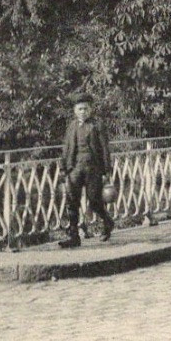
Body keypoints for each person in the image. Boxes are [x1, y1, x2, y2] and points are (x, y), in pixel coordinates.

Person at [60, 92, 115, 247]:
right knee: (72, 201)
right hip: (74, 169)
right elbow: (66, 148)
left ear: (91, 109)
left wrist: (106, 171)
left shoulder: (96, 126)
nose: (83, 112)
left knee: (94, 200)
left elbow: (105, 149)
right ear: (74, 110)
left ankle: (107, 222)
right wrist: (63, 168)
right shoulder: (71, 126)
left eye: (85, 108)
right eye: (79, 109)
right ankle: (74, 236)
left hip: (93, 169)